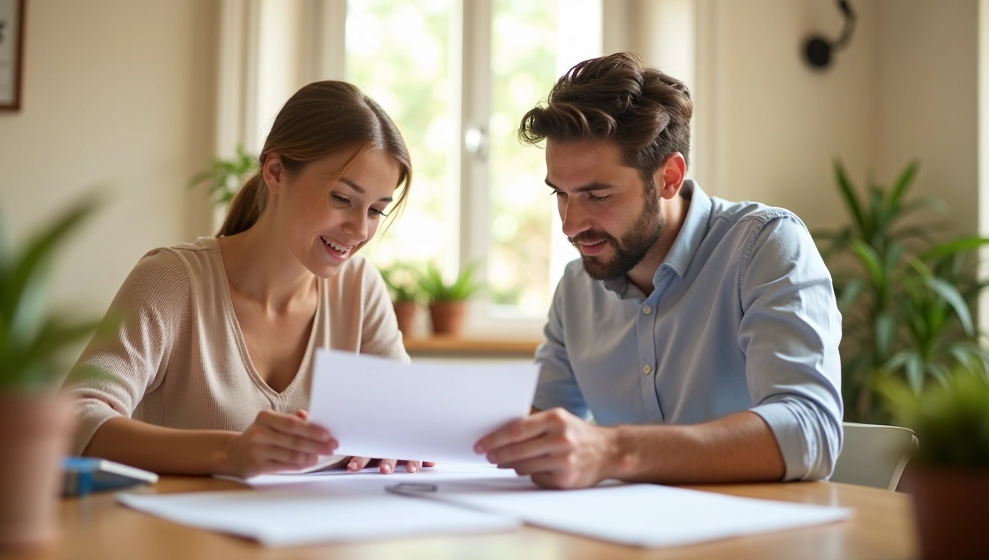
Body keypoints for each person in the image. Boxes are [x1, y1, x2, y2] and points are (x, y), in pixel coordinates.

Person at [474, 53, 843, 489]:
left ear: (669, 176)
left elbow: (809, 430)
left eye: (598, 195)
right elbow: (539, 425)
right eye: (561, 194)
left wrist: (611, 451)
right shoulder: (577, 287)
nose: (570, 225)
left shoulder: (766, 247)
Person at [64, 81, 430, 478]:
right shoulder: (171, 281)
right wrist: (227, 452)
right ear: (275, 172)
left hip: (321, 536)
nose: (359, 229)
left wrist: (400, 441)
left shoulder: (361, 288)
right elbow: (74, 419)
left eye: (376, 210)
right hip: (178, 537)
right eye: (342, 199)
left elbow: (403, 418)